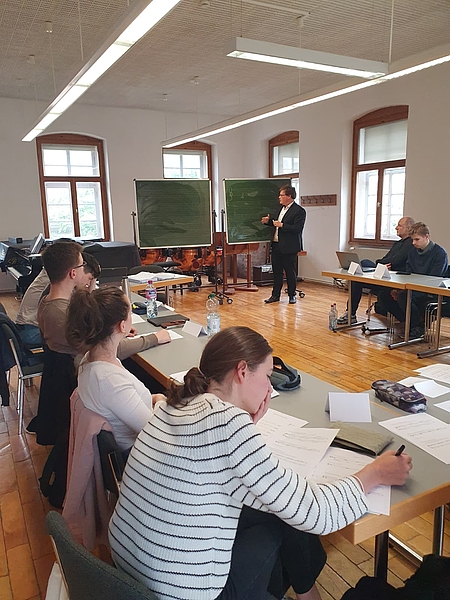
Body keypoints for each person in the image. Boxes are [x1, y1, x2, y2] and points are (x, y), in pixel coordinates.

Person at [109, 326, 412, 600]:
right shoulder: (228, 425)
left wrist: (246, 427)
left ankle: (307, 594)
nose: (270, 388)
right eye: (267, 376)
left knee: (273, 507)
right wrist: (375, 473)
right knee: (284, 516)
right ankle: (307, 593)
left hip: (129, 570)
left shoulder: (174, 404)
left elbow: (214, 463)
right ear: (242, 371)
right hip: (183, 591)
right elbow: (315, 513)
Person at [66, 287, 165, 452]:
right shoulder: (110, 381)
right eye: (130, 313)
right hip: (140, 453)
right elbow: (156, 434)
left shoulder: (89, 359)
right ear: (122, 325)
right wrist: (160, 400)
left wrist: (152, 399)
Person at [337, 216, 415, 324]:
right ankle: (350, 313)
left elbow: (396, 261)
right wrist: (381, 263)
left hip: (393, 280)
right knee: (358, 276)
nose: (396, 228)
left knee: (364, 266)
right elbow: (384, 260)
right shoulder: (397, 244)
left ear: (409, 228)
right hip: (384, 275)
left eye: (399, 225)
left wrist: (382, 263)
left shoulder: (410, 244)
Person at [15, 249, 100, 347]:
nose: (88, 283)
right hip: (30, 331)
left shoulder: (55, 274)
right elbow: (83, 302)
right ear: (73, 271)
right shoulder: (58, 284)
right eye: (89, 278)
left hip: (30, 328)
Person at [383, 222, 448, 337]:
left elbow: (434, 278)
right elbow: (409, 272)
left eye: (417, 239)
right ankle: (410, 322)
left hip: (431, 290)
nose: (413, 243)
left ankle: (417, 326)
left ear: (426, 237)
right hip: (414, 286)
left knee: (404, 296)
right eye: (412, 240)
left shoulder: (440, 253)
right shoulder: (413, 252)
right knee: (385, 294)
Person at [262, 185, 306, 305]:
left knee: (290, 271)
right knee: (277, 272)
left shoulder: (299, 211)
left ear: (289, 196)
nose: (279, 197)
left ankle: (292, 295)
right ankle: (275, 295)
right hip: (276, 244)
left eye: (281, 195)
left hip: (289, 246)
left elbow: (297, 228)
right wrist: (268, 222)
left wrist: (282, 225)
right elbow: (276, 223)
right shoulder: (279, 208)